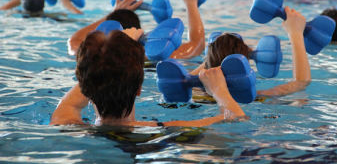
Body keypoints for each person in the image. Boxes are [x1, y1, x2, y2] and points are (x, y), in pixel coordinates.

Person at [50, 27, 245, 127]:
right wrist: (219, 92)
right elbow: (237, 119)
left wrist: (114, 50)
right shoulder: (162, 130)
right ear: (139, 89)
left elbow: (72, 102)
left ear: (85, 88)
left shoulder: (67, 125)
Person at [68, 0, 205, 59]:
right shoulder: (153, 56)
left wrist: (113, 15)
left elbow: (74, 41)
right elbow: (197, 44)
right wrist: (191, 3)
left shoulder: (95, 57)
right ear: (138, 33)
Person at [191, 7, 311, 98]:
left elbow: (191, 76)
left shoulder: (191, 91)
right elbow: (301, 82)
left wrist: (215, 52)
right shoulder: (255, 98)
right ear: (244, 64)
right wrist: (296, 34)